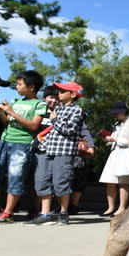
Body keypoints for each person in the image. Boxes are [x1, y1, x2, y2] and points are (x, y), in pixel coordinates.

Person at [25, 81, 85, 226]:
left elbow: (69, 130)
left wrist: (54, 119)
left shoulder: (77, 110)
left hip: (63, 151)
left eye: (62, 91)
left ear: (72, 94)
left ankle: (63, 213)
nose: (59, 93)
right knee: (41, 180)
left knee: (61, 181)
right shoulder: (57, 109)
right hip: (47, 149)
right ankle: (44, 213)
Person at [0, 70, 46, 222]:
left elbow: (33, 126)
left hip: (22, 145)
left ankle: (8, 212)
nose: (16, 87)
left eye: (19, 84)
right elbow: (7, 123)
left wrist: (11, 112)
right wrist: (2, 113)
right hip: (4, 141)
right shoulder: (16, 102)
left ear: (31, 87)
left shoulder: (39, 104)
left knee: (15, 176)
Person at [99, 102, 129, 216]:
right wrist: (109, 140)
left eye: (117, 113)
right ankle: (110, 207)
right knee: (109, 180)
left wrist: (114, 140)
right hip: (115, 153)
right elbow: (116, 138)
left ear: (123, 111)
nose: (115, 115)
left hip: (125, 154)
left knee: (122, 182)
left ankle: (121, 207)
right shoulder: (118, 124)